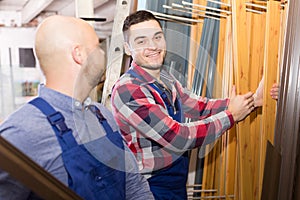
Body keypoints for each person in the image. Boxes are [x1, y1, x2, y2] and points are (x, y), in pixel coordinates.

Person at [0, 15, 154, 200]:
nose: (102, 54)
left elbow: (134, 186)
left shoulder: (103, 116)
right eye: (97, 47)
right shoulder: (23, 133)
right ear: (78, 54)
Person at [111, 10, 255, 200]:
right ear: (128, 49)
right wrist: (231, 116)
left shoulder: (164, 78)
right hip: (149, 188)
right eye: (141, 41)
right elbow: (176, 136)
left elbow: (198, 107)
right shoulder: (128, 90)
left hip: (175, 183)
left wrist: (249, 101)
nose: (153, 46)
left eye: (157, 37)